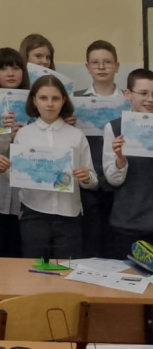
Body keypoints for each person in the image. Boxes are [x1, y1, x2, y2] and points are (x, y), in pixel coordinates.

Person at [0, 75, 97, 260]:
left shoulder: (76, 135)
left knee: (67, 269)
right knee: (34, 269)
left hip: (69, 215)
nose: (50, 104)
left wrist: (86, 177)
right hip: (34, 213)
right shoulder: (24, 134)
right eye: (43, 98)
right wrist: (4, 169)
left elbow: (92, 179)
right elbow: (16, 176)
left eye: (55, 98)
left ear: (63, 100)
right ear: (34, 101)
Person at [0, 47, 29, 258]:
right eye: (3, 68)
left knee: (19, 255)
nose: (10, 73)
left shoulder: (36, 103)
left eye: (16, 68)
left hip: (25, 197)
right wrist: (7, 136)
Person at [76, 39, 121, 258]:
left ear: (117, 66)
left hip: (120, 182)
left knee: (115, 241)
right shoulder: (75, 101)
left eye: (107, 62)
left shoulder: (130, 100)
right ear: (87, 67)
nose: (101, 67)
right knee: (90, 240)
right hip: (89, 179)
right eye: (95, 63)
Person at [103, 68, 153, 260]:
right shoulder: (114, 128)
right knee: (124, 275)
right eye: (143, 93)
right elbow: (113, 180)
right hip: (126, 223)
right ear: (128, 94)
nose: (150, 99)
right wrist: (120, 159)